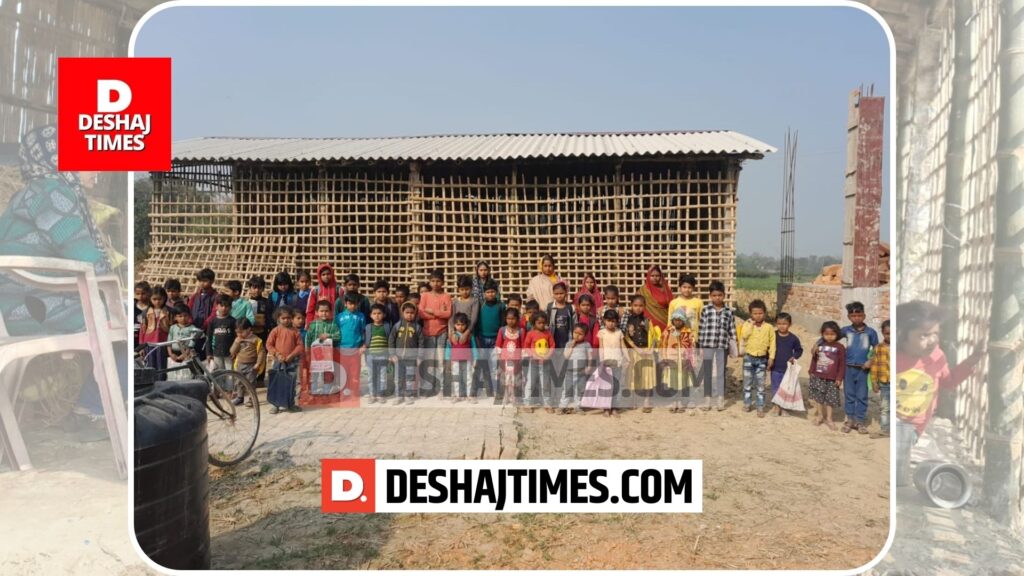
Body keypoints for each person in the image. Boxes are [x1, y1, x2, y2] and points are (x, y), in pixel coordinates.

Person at [0, 125, 120, 439]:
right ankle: (97, 411)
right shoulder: (52, 192)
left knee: (115, 318)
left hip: (23, 303)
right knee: (120, 325)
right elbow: (86, 259)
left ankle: (90, 407)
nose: (97, 169)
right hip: (31, 306)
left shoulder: (36, 192)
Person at [893, 301, 984, 485]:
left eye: (936, 334)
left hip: (915, 426)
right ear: (902, 335)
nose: (932, 340)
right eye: (924, 335)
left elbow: (948, 382)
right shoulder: (895, 358)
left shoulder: (937, 356)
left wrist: (972, 360)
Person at [838, 301, 879, 434]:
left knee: (862, 396)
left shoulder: (871, 332)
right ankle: (849, 420)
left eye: (859, 315)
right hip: (848, 368)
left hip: (863, 369)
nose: (857, 318)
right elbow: (830, 336)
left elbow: (877, 350)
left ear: (864, 316)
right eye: (853, 316)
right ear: (849, 317)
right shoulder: (846, 330)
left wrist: (871, 361)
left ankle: (860, 421)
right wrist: (817, 343)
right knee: (849, 395)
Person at [697, 281, 737, 411]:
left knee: (721, 372)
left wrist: (733, 346)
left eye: (720, 295)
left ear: (724, 295)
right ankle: (707, 399)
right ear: (710, 296)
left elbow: (732, 329)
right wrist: (701, 346)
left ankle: (720, 398)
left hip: (722, 346)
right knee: (707, 372)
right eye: (714, 295)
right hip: (708, 345)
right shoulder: (706, 310)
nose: (717, 298)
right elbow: (701, 329)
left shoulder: (729, 312)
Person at [738, 299, 775, 418]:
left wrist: (772, 358)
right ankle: (747, 404)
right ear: (750, 314)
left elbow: (773, 343)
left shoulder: (769, 327)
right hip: (749, 358)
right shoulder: (747, 325)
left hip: (762, 360)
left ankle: (760, 406)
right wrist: (751, 324)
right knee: (747, 383)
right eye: (755, 313)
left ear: (764, 313)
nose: (758, 316)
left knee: (761, 385)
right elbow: (744, 335)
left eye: (760, 313)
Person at [624, 294, 659, 413]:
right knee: (633, 375)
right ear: (631, 306)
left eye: (640, 306)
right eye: (635, 305)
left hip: (647, 351)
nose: (638, 308)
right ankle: (632, 399)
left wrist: (651, 348)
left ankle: (647, 400)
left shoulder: (647, 321)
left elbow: (654, 336)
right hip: (634, 352)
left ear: (644, 306)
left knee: (647, 375)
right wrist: (635, 348)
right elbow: (626, 337)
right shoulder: (628, 321)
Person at [266, 306, 304, 414]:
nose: (286, 320)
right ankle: (275, 405)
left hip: (291, 362)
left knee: (291, 384)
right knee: (277, 383)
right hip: (278, 362)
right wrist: (277, 354)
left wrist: (292, 355)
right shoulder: (275, 331)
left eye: (288, 318)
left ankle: (290, 404)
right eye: (283, 318)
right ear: (278, 319)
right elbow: (269, 344)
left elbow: (300, 346)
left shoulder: (295, 331)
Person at [419, 269, 453, 389]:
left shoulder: (446, 296)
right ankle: (429, 385)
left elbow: (448, 314)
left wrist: (433, 312)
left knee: (440, 360)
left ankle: (442, 386)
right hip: (427, 332)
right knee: (429, 359)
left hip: (442, 332)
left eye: (438, 281)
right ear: (429, 282)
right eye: (433, 281)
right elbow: (422, 313)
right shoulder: (424, 296)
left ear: (442, 282)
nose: (435, 283)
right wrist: (439, 314)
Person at [808, 321, 845, 431]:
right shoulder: (819, 346)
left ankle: (829, 418)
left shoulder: (840, 347)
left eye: (832, 334)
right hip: (819, 376)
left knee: (830, 399)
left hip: (832, 378)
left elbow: (842, 364)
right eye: (826, 334)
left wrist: (839, 378)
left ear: (837, 334)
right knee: (819, 398)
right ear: (822, 334)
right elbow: (814, 359)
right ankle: (820, 416)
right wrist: (811, 370)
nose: (829, 337)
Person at [304, 300, 341, 400]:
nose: (324, 313)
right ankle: (314, 391)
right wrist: (307, 350)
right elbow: (308, 337)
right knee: (315, 373)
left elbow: (338, 336)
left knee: (327, 374)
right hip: (315, 354)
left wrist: (329, 335)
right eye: (321, 311)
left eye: (326, 311)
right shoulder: (312, 325)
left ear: (330, 312)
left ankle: (325, 392)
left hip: (328, 355)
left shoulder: (333, 324)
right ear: (316, 312)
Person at [768, 312, 803, 416]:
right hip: (775, 367)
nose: (782, 326)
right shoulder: (773, 336)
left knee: (786, 388)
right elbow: (768, 349)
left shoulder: (793, 338)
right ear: (776, 324)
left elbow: (799, 350)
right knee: (776, 387)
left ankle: (784, 407)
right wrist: (768, 361)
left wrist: (794, 357)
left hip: (787, 369)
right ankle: (776, 406)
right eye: (779, 323)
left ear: (790, 324)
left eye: (784, 324)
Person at [660, 308, 695, 413]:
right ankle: (673, 401)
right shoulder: (668, 331)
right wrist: (663, 358)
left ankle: (681, 401)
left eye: (680, 320)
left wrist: (691, 360)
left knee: (682, 381)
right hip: (672, 360)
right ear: (672, 320)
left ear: (683, 320)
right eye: (675, 320)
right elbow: (663, 345)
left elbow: (692, 347)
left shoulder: (688, 332)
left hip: (683, 362)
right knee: (672, 381)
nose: (677, 322)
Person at [389, 302, 423, 404]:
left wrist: (419, 357)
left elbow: (421, 343)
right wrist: (392, 354)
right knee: (398, 378)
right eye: (407, 312)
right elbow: (391, 340)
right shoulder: (397, 325)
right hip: (398, 358)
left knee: (410, 378)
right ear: (402, 313)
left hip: (411, 358)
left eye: (412, 313)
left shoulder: (417, 327)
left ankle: (409, 396)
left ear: (415, 313)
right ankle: (399, 396)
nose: (409, 314)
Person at [596, 309, 627, 417]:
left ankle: (615, 408)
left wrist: (627, 358)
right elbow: (601, 347)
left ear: (617, 322)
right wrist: (601, 361)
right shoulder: (601, 332)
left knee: (616, 386)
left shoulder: (619, 332)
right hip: (606, 363)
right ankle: (606, 408)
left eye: (614, 321)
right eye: (609, 321)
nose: (611, 323)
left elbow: (623, 346)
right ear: (604, 320)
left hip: (617, 362)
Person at [523, 311, 555, 413]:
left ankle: (547, 404)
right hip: (534, 363)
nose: (541, 325)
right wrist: (534, 355)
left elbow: (552, 346)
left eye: (543, 323)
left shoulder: (548, 333)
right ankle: (527, 404)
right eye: (539, 323)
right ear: (534, 323)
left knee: (545, 385)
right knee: (530, 384)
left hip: (545, 363)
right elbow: (526, 347)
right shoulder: (530, 334)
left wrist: (548, 355)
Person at [336, 292, 367, 399]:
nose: (352, 306)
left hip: (356, 350)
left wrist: (363, 345)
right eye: (350, 303)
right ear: (345, 304)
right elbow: (336, 333)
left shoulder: (361, 316)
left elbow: (364, 331)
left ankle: (354, 392)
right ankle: (343, 392)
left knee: (355, 372)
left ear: (358, 304)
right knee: (343, 372)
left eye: (355, 304)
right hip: (342, 349)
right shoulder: (339, 317)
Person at [476, 280, 504, 395]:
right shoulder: (480, 305)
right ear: (484, 293)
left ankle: (497, 388)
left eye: (493, 292)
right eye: (488, 292)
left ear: (496, 292)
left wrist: (500, 340)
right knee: (484, 365)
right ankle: (488, 389)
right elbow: (477, 323)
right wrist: (477, 339)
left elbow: (503, 324)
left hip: (495, 340)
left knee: (495, 365)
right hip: (482, 339)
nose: (490, 294)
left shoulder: (501, 306)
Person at [229, 318, 266, 407]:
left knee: (250, 383)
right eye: (237, 332)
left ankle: (251, 399)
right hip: (240, 364)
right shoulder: (238, 339)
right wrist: (236, 343)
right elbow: (232, 351)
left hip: (251, 366)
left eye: (241, 332)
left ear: (249, 329)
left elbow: (261, 353)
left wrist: (258, 363)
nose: (239, 334)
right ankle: (240, 397)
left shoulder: (256, 340)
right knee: (238, 382)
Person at [361, 303, 392, 403]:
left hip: (383, 355)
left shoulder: (387, 326)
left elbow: (390, 341)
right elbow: (365, 340)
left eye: (379, 313)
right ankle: (372, 394)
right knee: (372, 375)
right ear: (370, 315)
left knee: (382, 376)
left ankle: (380, 394)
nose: (377, 315)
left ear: (384, 315)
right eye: (374, 313)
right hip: (371, 356)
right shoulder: (368, 327)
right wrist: (363, 346)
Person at [561, 324, 594, 414]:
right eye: (575, 332)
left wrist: (589, 367)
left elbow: (590, 357)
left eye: (580, 334)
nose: (577, 335)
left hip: (581, 371)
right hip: (569, 371)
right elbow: (566, 356)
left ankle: (577, 406)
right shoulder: (568, 343)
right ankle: (563, 406)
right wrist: (571, 346)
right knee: (567, 389)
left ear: (585, 335)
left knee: (579, 390)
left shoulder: (587, 344)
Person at [445, 312, 478, 402]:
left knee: (468, 378)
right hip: (455, 361)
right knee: (456, 378)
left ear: (466, 325)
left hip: (467, 361)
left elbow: (474, 348)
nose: (460, 327)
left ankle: (469, 396)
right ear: (454, 325)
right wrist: (448, 360)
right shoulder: (452, 337)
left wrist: (475, 359)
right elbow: (448, 349)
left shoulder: (469, 336)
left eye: (462, 324)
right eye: (458, 324)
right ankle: (458, 395)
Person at [139, 286, 172, 372]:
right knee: (150, 365)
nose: (157, 301)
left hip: (163, 343)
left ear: (164, 298)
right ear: (150, 299)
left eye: (160, 299)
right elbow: (142, 330)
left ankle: (162, 383)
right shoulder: (146, 312)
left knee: (162, 366)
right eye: (154, 299)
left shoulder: (169, 311)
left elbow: (172, 329)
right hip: (149, 344)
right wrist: (141, 347)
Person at [496, 307, 524, 406]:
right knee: (505, 379)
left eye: (513, 319)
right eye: (508, 319)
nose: (510, 321)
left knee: (515, 379)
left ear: (517, 319)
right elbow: (499, 345)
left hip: (516, 360)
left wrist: (522, 358)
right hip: (505, 360)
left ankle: (514, 397)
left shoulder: (521, 331)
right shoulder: (502, 330)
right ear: (505, 319)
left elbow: (523, 346)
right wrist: (499, 358)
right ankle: (505, 396)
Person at [867, 319, 890, 438]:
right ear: (882, 333)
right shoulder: (878, 348)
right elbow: (875, 365)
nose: (890, 336)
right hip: (885, 383)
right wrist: (874, 381)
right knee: (885, 407)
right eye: (887, 333)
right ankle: (885, 430)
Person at [167, 306, 202, 381]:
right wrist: (170, 354)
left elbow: (191, 345)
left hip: (186, 355)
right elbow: (169, 342)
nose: (183, 318)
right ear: (175, 317)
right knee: (173, 375)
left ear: (189, 316)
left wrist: (183, 355)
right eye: (180, 316)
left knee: (185, 375)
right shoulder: (172, 327)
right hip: (173, 355)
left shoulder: (192, 328)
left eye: (185, 315)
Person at [205, 294, 237, 372]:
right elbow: (208, 338)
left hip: (230, 354)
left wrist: (235, 350)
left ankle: (229, 385)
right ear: (217, 306)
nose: (224, 308)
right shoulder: (212, 321)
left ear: (230, 307)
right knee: (219, 374)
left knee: (230, 374)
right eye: (221, 305)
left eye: (226, 306)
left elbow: (236, 337)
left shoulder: (233, 321)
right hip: (216, 353)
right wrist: (209, 353)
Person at [668, 273, 702, 341]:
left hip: (693, 338)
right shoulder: (673, 303)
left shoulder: (698, 302)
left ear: (693, 288)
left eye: (689, 287)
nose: (687, 290)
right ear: (680, 287)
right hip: (677, 337)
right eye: (684, 287)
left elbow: (701, 321)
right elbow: (670, 322)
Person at [639, 265, 672, 331]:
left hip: (665, 322)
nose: (655, 278)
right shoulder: (642, 290)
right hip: (649, 326)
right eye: (652, 276)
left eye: (657, 276)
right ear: (648, 276)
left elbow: (671, 304)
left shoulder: (665, 289)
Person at [451, 275, 480, 346]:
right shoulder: (455, 301)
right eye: (462, 289)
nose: (464, 292)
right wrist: (452, 333)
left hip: (470, 333)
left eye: (467, 289)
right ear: (458, 289)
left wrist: (466, 333)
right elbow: (451, 318)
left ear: (471, 288)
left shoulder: (474, 301)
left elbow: (474, 319)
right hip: (456, 334)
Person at [546, 282, 577, 350]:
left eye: (561, 293)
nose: (559, 296)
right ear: (553, 294)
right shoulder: (550, 307)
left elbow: (575, 324)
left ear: (566, 293)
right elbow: (547, 323)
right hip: (553, 339)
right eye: (556, 294)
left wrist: (574, 339)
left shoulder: (571, 307)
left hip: (567, 338)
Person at [247, 275, 271, 343]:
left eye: (259, 288)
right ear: (250, 288)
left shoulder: (267, 302)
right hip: (249, 334)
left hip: (262, 334)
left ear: (263, 289)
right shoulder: (246, 303)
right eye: (254, 287)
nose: (257, 290)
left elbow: (269, 317)